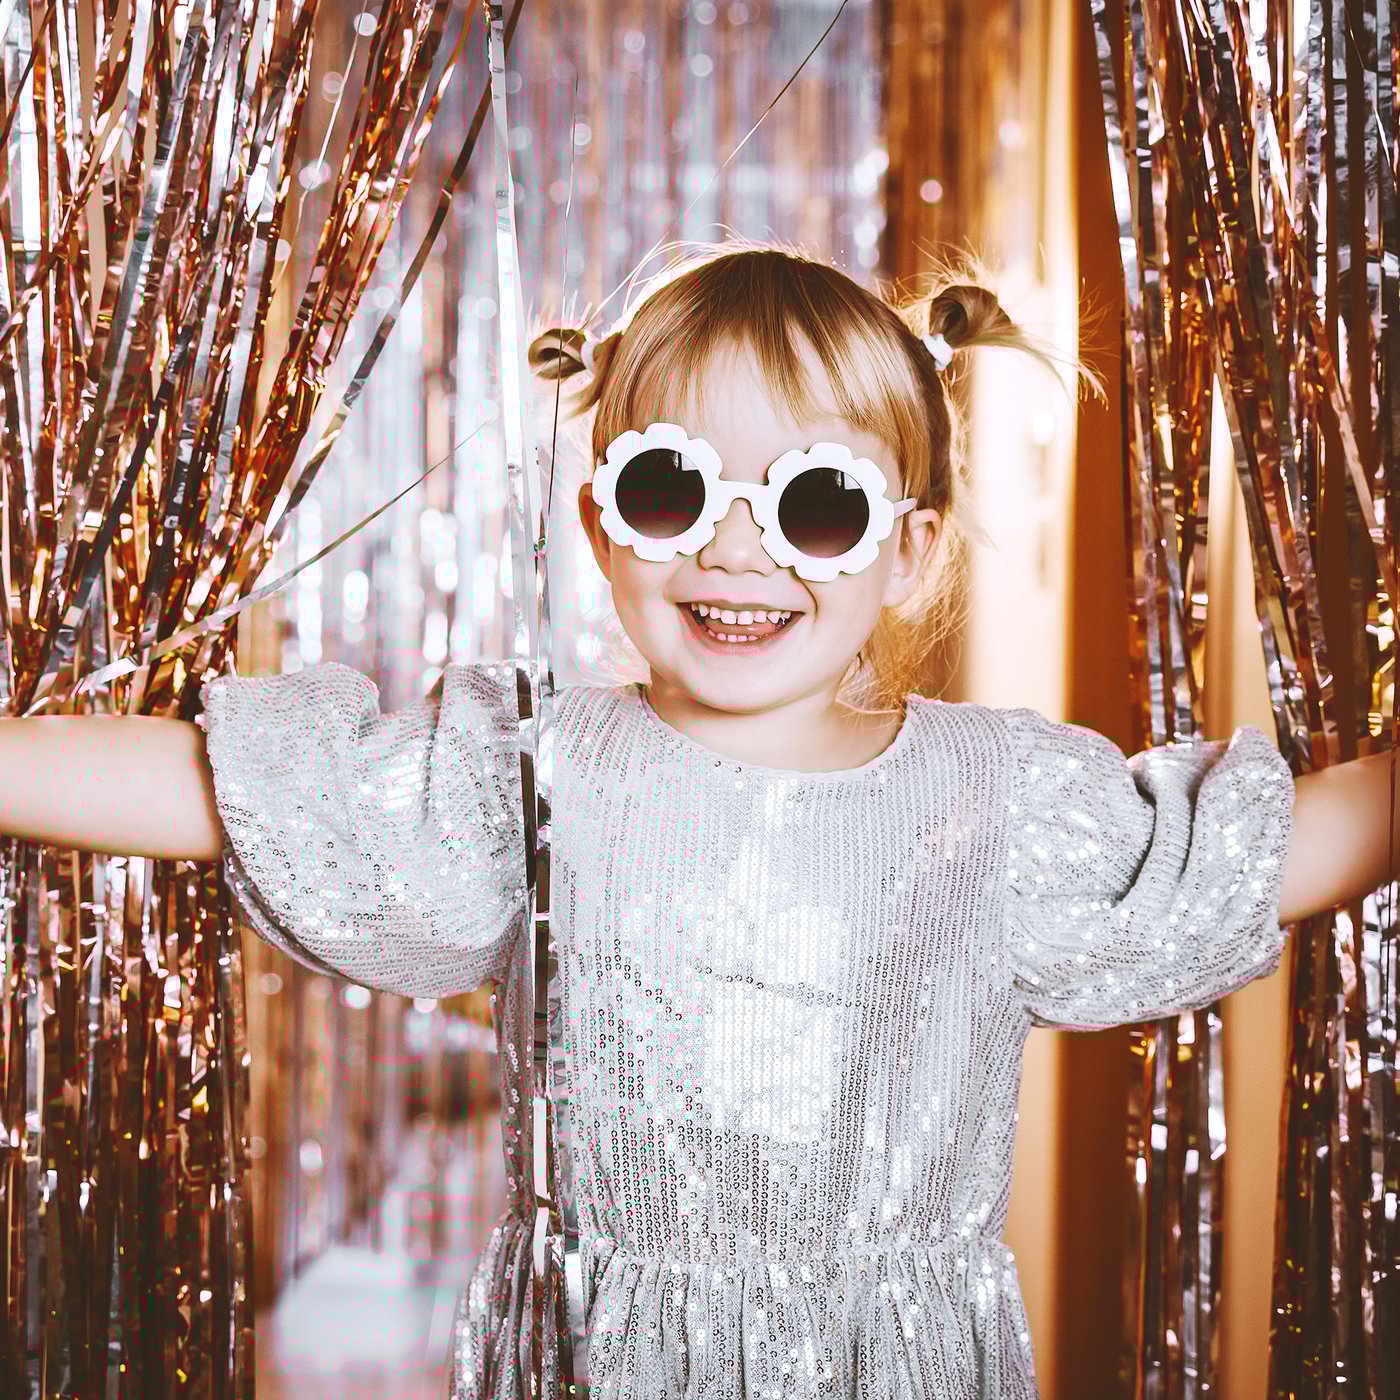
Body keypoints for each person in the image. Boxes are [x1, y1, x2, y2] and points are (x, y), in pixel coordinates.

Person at [0, 244, 1389, 1399]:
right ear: (603, 524)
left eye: (816, 504)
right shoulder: (534, 768)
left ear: (908, 550)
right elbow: (231, 791)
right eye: (671, 491)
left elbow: (1260, 855)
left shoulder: (999, 801)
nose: (738, 550)